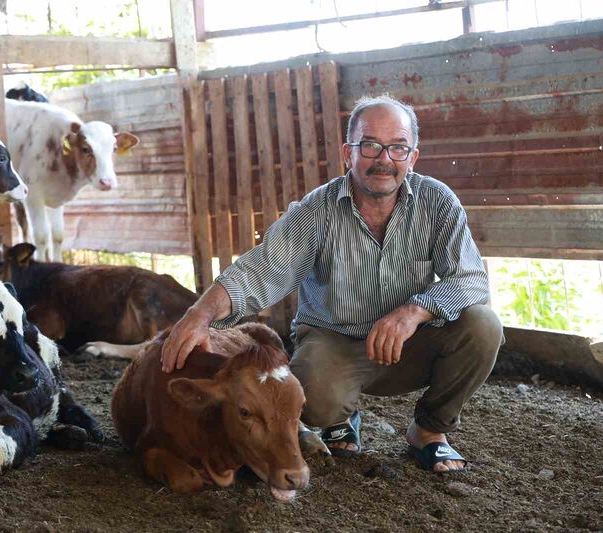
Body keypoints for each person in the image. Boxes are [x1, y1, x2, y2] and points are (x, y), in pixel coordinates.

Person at [160, 94, 503, 473]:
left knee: (483, 326)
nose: (384, 159)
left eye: (398, 148)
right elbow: (260, 269)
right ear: (348, 152)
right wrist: (200, 313)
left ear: (413, 157)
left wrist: (414, 311)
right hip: (335, 345)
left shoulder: (437, 202)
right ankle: (340, 418)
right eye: (370, 145)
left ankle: (429, 431)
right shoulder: (317, 211)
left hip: (408, 344)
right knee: (313, 399)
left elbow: (470, 280)